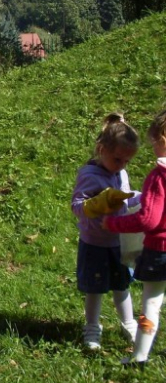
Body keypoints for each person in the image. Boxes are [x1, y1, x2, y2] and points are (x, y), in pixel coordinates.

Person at [71, 113, 139, 350]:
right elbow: (77, 206)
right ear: (101, 149)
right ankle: (92, 327)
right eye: (118, 159)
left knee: (122, 284)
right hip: (95, 242)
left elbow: (127, 198)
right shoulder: (88, 175)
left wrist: (141, 198)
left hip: (118, 241)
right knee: (95, 287)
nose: (121, 165)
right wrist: (95, 205)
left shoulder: (120, 173)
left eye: (126, 162)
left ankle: (128, 322)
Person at [103, 109, 166, 367]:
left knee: (151, 303)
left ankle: (139, 356)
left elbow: (148, 219)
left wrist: (114, 223)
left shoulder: (159, 176)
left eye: (153, 142)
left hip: (160, 249)